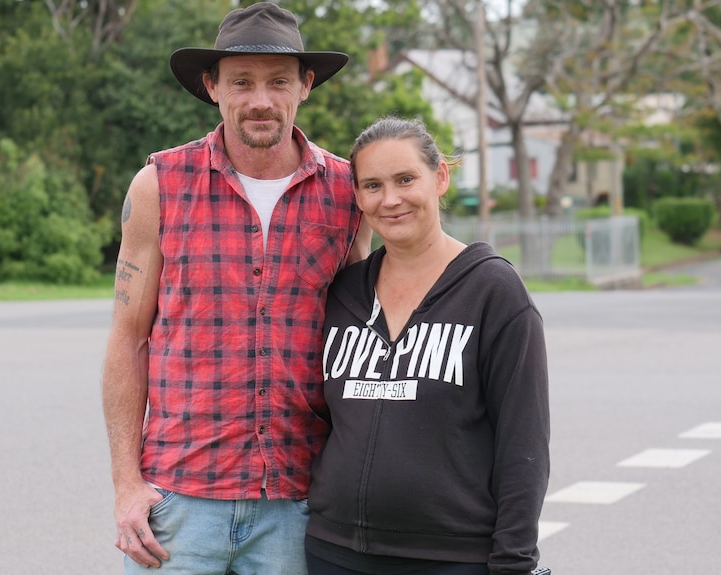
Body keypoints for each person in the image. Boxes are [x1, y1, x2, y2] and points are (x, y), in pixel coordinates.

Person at [101, 3, 370, 574]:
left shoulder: (348, 193)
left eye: (278, 82)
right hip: (177, 503)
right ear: (212, 86)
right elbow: (128, 339)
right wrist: (127, 487)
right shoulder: (160, 184)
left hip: (297, 504)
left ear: (306, 85)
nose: (260, 100)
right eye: (241, 82)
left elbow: (363, 341)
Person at [305, 117, 550, 575]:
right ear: (357, 197)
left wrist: (514, 563)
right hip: (333, 552)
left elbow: (524, 444)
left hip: (450, 558)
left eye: (405, 179)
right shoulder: (344, 293)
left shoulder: (493, 290)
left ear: (440, 178)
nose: (390, 199)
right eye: (372, 185)